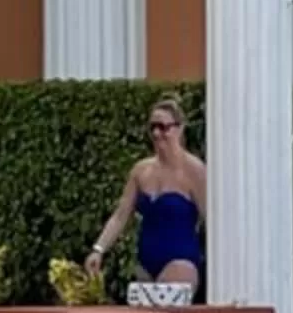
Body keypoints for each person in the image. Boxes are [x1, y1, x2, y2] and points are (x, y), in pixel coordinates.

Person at [86, 95, 207, 293]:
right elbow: (120, 216)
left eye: (163, 127)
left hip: (180, 262)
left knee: (167, 309)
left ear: (179, 128)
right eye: (153, 127)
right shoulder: (141, 170)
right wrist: (98, 250)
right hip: (145, 264)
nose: (157, 134)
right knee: (144, 312)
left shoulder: (195, 171)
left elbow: (211, 219)